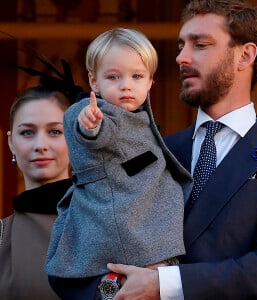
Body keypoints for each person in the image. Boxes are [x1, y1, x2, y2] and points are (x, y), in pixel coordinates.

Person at [106, 1, 257, 299]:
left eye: (200, 44)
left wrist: (164, 284)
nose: (182, 58)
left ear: (245, 55)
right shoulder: (158, 149)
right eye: (181, 45)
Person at [45, 28, 193, 299]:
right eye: (114, 77)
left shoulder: (137, 114)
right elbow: (97, 134)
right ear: (94, 81)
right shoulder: (95, 111)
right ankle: (111, 287)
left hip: (140, 219)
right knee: (121, 279)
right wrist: (90, 126)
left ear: (150, 82)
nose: (126, 85)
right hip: (120, 222)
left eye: (137, 76)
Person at [0, 86, 73, 299]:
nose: (40, 145)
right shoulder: (2, 236)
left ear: (75, 138)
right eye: (27, 133)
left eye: (55, 132)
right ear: (11, 142)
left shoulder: (108, 223)